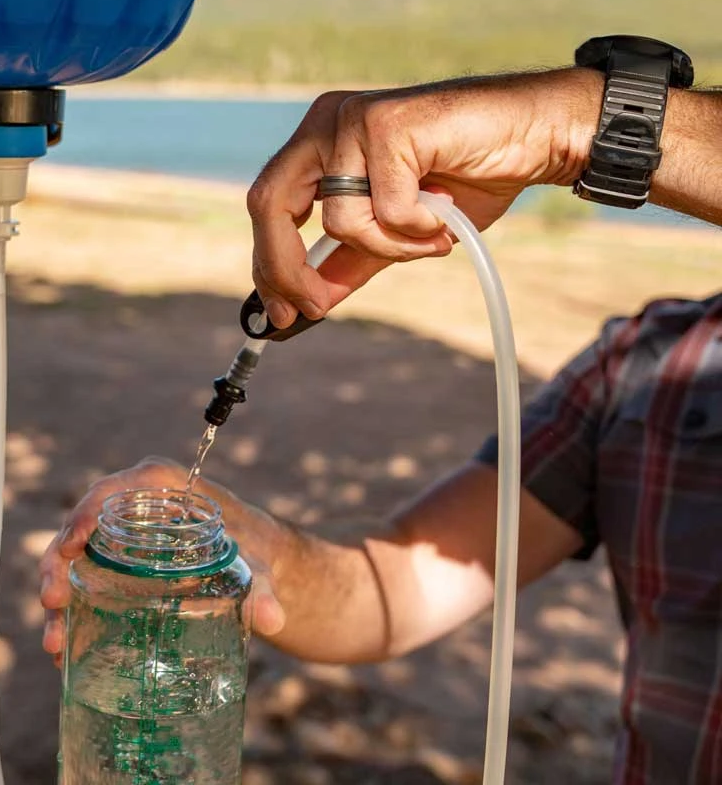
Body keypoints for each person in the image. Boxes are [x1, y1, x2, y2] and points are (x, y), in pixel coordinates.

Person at [40, 63, 722, 783]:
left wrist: (575, 122)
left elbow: (569, 123)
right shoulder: (642, 372)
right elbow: (398, 588)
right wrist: (260, 551)